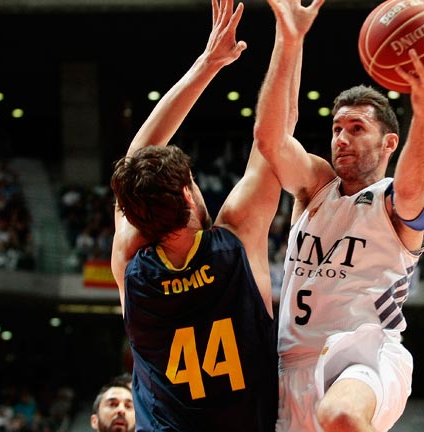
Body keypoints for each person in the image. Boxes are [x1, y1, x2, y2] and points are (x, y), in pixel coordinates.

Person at [255, 0, 424, 430]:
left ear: (389, 143)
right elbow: (270, 140)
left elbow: (411, 190)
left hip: (366, 355)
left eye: (356, 129)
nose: (341, 139)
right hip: (291, 367)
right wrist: (290, 40)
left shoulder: (393, 201)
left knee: (342, 414)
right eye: (336, 129)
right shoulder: (315, 187)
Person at [109, 0, 284, 430]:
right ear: (189, 195)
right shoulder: (237, 241)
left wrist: (207, 65)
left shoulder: (130, 263)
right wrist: (290, 36)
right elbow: (274, 139)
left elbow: (135, 160)